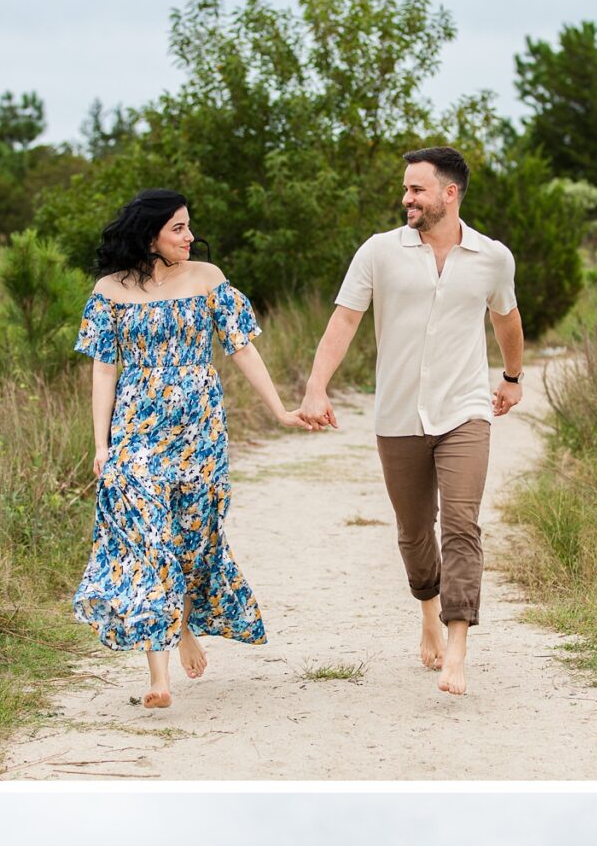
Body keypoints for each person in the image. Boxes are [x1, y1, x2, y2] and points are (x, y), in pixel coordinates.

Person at [75, 188, 315, 710]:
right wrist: (100, 443)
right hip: (135, 432)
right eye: (178, 228)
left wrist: (278, 409)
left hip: (198, 431)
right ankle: (158, 678)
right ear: (150, 234)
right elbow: (103, 369)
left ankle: (182, 622)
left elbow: (241, 346)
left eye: (188, 227)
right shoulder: (109, 290)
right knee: (147, 543)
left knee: (190, 536)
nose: (189, 236)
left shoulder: (208, 278)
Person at [299, 147, 522, 697]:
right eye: (405, 189)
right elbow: (345, 319)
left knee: (462, 525)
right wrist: (315, 385)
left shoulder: (492, 258)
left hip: (465, 409)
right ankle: (428, 608)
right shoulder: (379, 252)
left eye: (417, 190)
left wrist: (512, 377)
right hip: (397, 414)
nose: (406, 199)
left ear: (449, 194)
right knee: (415, 531)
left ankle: (458, 646)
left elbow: (507, 316)